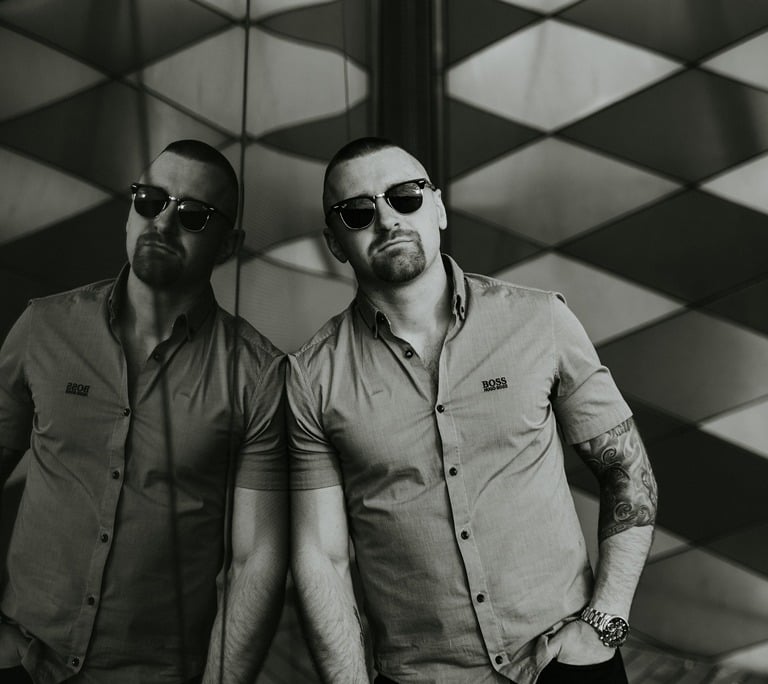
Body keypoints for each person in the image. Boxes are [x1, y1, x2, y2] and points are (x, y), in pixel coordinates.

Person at [287, 137, 658, 684]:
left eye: (405, 196)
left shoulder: (540, 321)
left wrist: (605, 622)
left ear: (437, 207)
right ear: (334, 243)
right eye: (358, 212)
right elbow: (322, 557)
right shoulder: (311, 377)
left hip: (565, 662)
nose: (387, 219)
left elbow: (626, 470)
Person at [0, 140, 288, 684]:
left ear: (229, 245)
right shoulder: (45, 327)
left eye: (193, 214)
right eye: (151, 200)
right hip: (22, 660)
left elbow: (257, 560)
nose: (163, 222)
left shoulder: (259, 376)